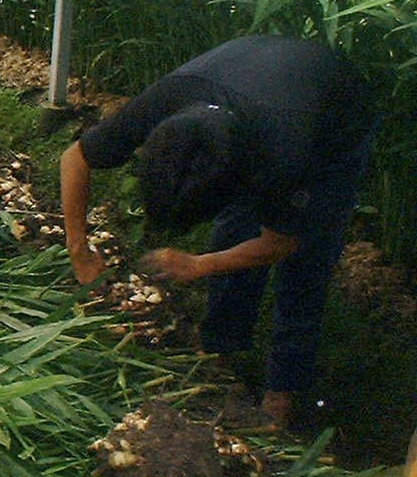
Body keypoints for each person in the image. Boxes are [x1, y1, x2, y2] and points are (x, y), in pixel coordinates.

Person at [59, 34, 375, 426]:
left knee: (307, 260)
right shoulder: (163, 104)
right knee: (235, 231)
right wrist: (79, 251)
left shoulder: (286, 152)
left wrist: (200, 265)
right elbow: (75, 159)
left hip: (335, 121)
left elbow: (283, 243)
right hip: (253, 80)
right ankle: (221, 348)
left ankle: (283, 392)